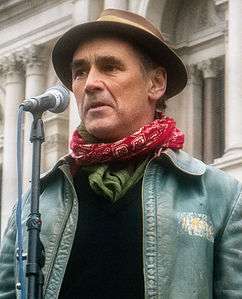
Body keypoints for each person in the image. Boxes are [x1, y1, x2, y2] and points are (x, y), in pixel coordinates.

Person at [0, 8, 242, 299]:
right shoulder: (34, 205)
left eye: (110, 67)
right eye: (80, 72)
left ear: (155, 84)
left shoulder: (221, 197)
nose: (90, 84)